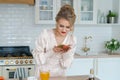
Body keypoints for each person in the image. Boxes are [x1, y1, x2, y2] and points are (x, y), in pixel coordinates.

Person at [32, 4, 76, 78]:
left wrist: (67, 53)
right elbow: (37, 60)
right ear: (56, 22)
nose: (64, 30)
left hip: (59, 76)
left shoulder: (71, 40)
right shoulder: (45, 35)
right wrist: (52, 51)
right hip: (43, 75)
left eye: (67, 27)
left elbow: (65, 65)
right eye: (61, 26)